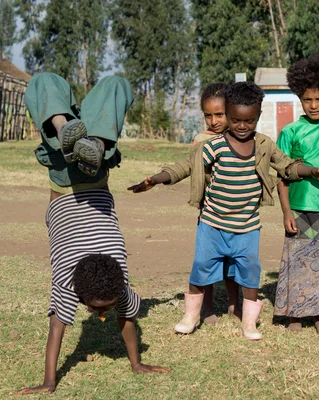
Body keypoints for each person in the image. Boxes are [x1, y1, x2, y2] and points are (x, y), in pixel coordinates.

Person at [129, 81, 319, 341]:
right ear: (228, 115)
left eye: (248, 121)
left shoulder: (264, 145)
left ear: (258, 116)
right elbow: (184, 166)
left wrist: (311, 171)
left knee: (250, 272)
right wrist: (157, 179)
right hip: (212, 223)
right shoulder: (214, 146)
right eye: (235, 120)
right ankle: (191, 316)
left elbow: (287, 166)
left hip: (247, 227)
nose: (241, 126)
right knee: (201, 266)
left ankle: (249, 323)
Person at [17, 75, 168, 395]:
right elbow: (122, 321)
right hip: (83, 175)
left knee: (48, 81)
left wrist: (50, 382)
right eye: (100, 309)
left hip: (73, 173)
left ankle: (67, 130)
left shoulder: (114, 280)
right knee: (113, 84)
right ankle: (89, 142)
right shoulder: (108, 281)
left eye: (102, 308)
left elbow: (64, 330)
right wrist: (49, 382)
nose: (102, 314)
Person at [273, 54, 319, 334]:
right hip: (299, 207)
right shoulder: (291, 131)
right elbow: (282, 174)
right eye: (307, 99)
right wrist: (285, 212)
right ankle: (295, 315)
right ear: (299, 98)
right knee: (298, 262)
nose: (314, 105)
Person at [25, 73, 132, 195]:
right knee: (115, 83)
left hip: (62, 168)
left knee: (44, 79)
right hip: (96, 179)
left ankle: (62, 127)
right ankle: (98, 144)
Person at [191, 82, 241, 326]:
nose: (213, 121)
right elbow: (196, 170)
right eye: (208, 115)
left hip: (238, 213)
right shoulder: (201, 140)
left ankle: (235, 303)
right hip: (210, 212)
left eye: (219, 114)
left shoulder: (241, 137)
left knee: (235, 259)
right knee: (207, 259)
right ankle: (207, 307)